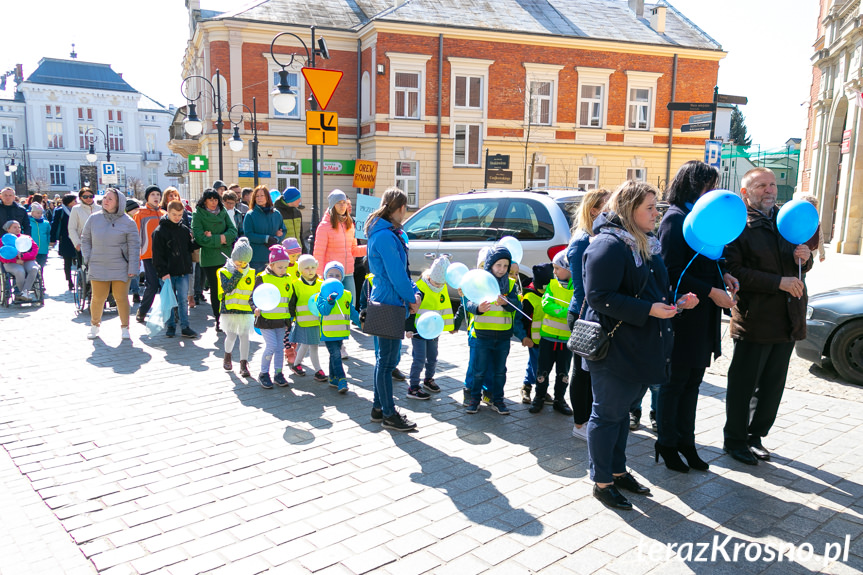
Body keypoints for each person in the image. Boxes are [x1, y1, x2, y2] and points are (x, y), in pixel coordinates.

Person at [581, 181, 697, 510]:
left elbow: (653, 291)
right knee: (607, 415)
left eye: (656, 206)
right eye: (649, 207)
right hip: (614, 346)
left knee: (620, 416)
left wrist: (677, 301)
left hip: (641, 346)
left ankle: (617, 471)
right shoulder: (608, 244)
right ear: (629, 209)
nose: (656, 212)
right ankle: (602, 482)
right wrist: (648, 309)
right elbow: (598, 297)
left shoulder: (647, 243)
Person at [723, 168, 813, 466]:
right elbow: (734, 271)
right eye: (761, 185)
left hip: (788, 317)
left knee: (773, 385)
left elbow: (797, 270)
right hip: (755, 319)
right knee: (744, 384)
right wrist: (779, 283)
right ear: (746, 193)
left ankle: (755, 436)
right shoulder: (738, 225)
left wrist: (805, 259)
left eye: (772, 184)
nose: (769, 190)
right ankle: (735, 440)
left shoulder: (785, 221)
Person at [656, 161, 738, 472]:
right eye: (710, 185)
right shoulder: (676, 220)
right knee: (675, 383)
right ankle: (666, 443)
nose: (714, 192)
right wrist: (710, 291)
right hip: (683, 315)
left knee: (693, 382)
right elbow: (672, 272)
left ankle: (686, 442)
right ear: (694, 186)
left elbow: (711, 258)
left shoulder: (706, 218)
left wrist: (725, 275)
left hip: (704, 315)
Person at [365, 186, 421, 431]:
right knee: (387, 362)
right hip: (389, 301)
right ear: (399, 208)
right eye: (405, 209)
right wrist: (411, 297)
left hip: (387, 298)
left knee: (384, 360)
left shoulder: (384, 232)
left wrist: (412, 292)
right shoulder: (387, 235)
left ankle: (379, 408)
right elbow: (396, 273)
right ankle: (389, 413)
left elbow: (400, 271)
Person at [465, 245, 531, 415]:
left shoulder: (510, 284)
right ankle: (474, 399)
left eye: (505, 266)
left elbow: (517, 305)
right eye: (498, 265)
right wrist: (478, 308)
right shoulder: (480, 282)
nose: (501, 269)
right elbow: (468, 303)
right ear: (490, 265)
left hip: (503, 336)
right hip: (482, 335)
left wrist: (507, 302)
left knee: (500, 371)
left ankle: (498, 400)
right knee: (479, 371)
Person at [566, 188, 610, 440]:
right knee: (581, 371)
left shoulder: (599, 236)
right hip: (583, 314)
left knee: (593, 370)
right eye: (607, 205)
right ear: (594, 210)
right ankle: (580, 424)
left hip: (594, 313)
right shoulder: (583, 241)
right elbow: (584, 288)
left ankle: (591, 419)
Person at [81, 189, 141, 340]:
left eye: (110, 199)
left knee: (121, 298)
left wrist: (133, 268)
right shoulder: (94, 219)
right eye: (105, 198)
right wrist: (88, 257)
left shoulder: (128, 222)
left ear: (118, 203)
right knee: (97, 298)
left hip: (121, 266)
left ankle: (125, 327)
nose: (106, 201)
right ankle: (94, 326)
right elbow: (85, 239)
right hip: (98, 264)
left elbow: (134, 246)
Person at [529, 250, 574, 416]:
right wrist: (567, 312)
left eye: (557, 268)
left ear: (569, 269)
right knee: (543, 370)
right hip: (547, 338)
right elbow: (546, 305)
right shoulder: (552, 285)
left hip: (566, 340)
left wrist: (561, 310)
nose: (553, 272)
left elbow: (577, 309)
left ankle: (559, 399)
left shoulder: (577, 288)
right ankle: (539, 397)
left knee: (563, 372)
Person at [192, 189, 239, 333]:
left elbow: (233, 231)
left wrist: (218, 237)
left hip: (225, 256)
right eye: (210, 199)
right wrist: (221, 239)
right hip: (210, 258)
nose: (214, 203)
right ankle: (219, 319)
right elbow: (200, 237)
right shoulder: (198, 214)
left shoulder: (223, 211)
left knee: (228, 289)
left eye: (216, 199)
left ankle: (229, 318)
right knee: (215, 289)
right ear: (204, 201)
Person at [405, 256, 452, 400]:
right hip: (418, 331)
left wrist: (451, 326)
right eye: (436, 283)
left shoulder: (442, 288)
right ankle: (413, 387)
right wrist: (408, 329)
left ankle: (428, 380)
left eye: (441, 284)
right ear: (430, 276)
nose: (438, 286)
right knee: (419, 359)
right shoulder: (420, 288)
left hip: (434, 330)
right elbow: (411, 310)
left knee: (432, 357)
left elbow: (445, 307)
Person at [151, 200, 199, 339]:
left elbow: (188, 248)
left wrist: (199, 241)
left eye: (180, 214)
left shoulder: (184, 229)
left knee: (183, 300)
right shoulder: (159, 231)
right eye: (174, 214)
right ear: (168, 212)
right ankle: (170, 326)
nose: (177, 217)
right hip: (167, 273)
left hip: (182, 271)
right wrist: (163, 272)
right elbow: (157, 255)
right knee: (169, 300)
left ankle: (185, 326)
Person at [313, 189, 367, 306]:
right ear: (332, 205)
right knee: (333, 310)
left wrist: (370, 247)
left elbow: (353, 250)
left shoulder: (350, 224)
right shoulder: (324, 226)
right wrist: (320, 277)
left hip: (348, 273)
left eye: (344, 202)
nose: (343, 206)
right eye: (339, 203)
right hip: (332, 275)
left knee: (350, 307)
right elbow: (318, 254)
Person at [254, 245, 294, 389]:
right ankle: (263, 373)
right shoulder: (262, 278)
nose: (283, 270)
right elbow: (252, 298)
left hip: (281, 320)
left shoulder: (288, 280)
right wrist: (255, 308)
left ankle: (278, 373)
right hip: (266, 320)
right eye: (280, 267)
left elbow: (291, 300)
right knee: (271, 346)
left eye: (285, 267)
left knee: (279, 348)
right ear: (271, 265)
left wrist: (291, 317)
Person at [218, 238, 256, 377]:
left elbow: (254, 292)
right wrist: (238, 273)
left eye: (245, 262)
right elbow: (227, 288)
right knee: (231, 336)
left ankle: (243, 364)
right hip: (230, 310)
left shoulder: (252, 273)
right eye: (239, 261)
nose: (242, 264)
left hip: (246, 310)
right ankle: (227, 355)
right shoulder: (225, 271)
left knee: (245, 336)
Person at [316, 261, 353, 394]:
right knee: (336, 354)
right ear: (325, 276)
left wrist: (361, 322)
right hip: (328, 333)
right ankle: (342, 379)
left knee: (334, 355)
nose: (334, 277)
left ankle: (332, 379)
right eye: (330, 274)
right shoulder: (321, 294)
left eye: (337, 275)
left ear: (342, 278)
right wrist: (330, 301)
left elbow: (351, 310)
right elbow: (323, 311)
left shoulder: (347, 294)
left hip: (340, 332)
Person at [288, 254, 326, 381]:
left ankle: (296, 364)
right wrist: (290, 318)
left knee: (306, 343)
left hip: (316, 321)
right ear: (300, 270)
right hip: (303, 321)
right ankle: (318, 370)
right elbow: (292, 303)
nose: (310, 270)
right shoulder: (296, 285)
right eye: (306, 268)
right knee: (313, 345)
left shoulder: (321, 284)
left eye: (313, 267)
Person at [520, 263, 553, 404]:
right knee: (538, 365)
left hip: (548, 337)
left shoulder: (551, 292)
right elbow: (524, 321)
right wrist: (525, 337)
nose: (545, 290)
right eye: (543, 288)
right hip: (534, 339)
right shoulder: (529, 298)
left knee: (536, 362)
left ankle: (526, 385)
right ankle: (541, 389)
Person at [133, 185, 165, 324]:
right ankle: (143, 311)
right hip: (148, 255)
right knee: (152, 285)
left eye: (158, 194)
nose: (156, 197)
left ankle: (170, 313)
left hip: (165, 256)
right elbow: (135, 236)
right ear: (147, 197)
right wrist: (136, 257)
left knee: (167, 285)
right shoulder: (140, 214)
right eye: (152, 194)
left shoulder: (164, 214)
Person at [242, 185, 286, 273]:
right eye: (257, 196)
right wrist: (266, 239)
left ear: (267, 197)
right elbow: (249, 234)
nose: (259, 198)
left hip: (274, 257)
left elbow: (283, 230)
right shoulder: (250, 215)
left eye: (262, 195)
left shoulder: (276, 213)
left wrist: (276, 239)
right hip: (257, 257)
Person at [0, 220, 39, 301]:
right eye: (15, 227)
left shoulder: (26, 238)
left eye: (19, 227)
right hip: (10, 263)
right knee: (20, 271)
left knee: (34, 269)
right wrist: (15, 260)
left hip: (27, 260)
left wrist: (23, 256)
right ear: (8, 229)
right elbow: (2, 255)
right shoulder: (3, 240)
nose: (18, 229)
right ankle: (23, 292)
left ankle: (25, 292)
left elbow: (35, 249)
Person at [50, 194, 79, 290]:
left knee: (80, 260)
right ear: (69, 202)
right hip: (65, 239)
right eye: (74, 201)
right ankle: (69, 281)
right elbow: (55, 224)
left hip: (78, 238)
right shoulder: (60, 211)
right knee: (67, 262)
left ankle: (80, 280)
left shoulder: (78, 209)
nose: (76, 202)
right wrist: (53, 239)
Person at [68, 187, 99, 264]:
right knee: (84, 267)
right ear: (80, 198)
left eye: (91, 196)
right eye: (85, 197)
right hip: (83, 244)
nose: (88, 198)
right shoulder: (76, 209)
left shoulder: (100, 208)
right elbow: (72, 228)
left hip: (99, 244)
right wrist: (77, 243)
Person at [274, 187, 305, 253]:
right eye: (298, 198)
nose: (300, 201)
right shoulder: (277, 213)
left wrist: (304, 250)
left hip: (298, 252)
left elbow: (300, 234)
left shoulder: (297, 212)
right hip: (284, 253)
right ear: (291, 200)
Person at [801, 195, 826, 263]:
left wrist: (822, 254)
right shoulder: (798, 220)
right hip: (798, 251)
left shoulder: (816, 222)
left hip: (811, 251)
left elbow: (820, 238)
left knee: (804, 269)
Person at [27, 203, 51, 270]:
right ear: (32, 212)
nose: (40, 214)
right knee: (32, 267)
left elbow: (49, 233)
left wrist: (49, 241)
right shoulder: (28, 222)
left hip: (43, 249)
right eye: (37, 213)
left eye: (41, 213)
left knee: (41, 266)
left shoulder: (46, 223)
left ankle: (40, 278)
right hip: (31, 249)